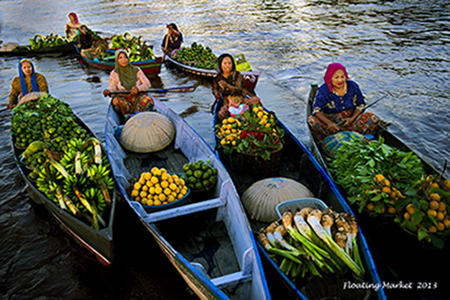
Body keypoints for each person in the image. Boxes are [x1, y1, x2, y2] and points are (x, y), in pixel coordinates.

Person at [308, 63, 380, 141]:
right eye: (336, 77)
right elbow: (316, 110)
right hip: (333, 126)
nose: (340, 80)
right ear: (330, 78)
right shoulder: (324, 90)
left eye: (342, 77)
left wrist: (351, 119)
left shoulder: (352, 86)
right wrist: (329, 123)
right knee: (312, 120)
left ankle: (361, 138)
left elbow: (361, 105)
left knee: (372, 118)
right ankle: (327, 140)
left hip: (351, 123)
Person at [103, 49, 154, 121]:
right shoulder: (114, 73)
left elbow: (147, 84)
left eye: (125, 57)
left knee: (148, 99)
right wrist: (109, 92)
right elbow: (113, 89)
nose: (123, 60)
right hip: (124, 100)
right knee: (115, 101)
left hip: (137, 98)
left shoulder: (136, 70)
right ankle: (126, 117)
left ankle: (138, 113)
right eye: (120, 58)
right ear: (117, 60)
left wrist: (138, 89)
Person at [212, 53, 261, 120]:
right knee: (221, 114)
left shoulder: (237, 75)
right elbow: (215, 89)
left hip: (240, 99)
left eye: (229, 63)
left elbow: (239, 90)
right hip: (228, 102)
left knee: (256, 101)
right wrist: (216, 93)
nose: (228, 66)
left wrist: (227, 86)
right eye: (225, 63)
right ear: (220, 65)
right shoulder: (218, 77)